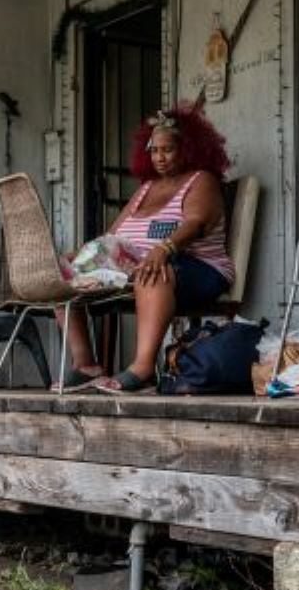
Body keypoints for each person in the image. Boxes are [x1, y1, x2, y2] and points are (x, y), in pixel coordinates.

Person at [57, 104, 235, 394]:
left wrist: (163, 249)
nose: (160, 158)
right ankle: (85, 364)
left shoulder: (202, 180)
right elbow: (112, 236)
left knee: (153, 272)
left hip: (197, 267)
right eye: (154, 150)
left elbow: (196, 223)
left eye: (168, 150)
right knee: (64, 269)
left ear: (187, 148)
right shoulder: (146, 188)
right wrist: (81, 256)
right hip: (140, 264)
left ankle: (143, 369)